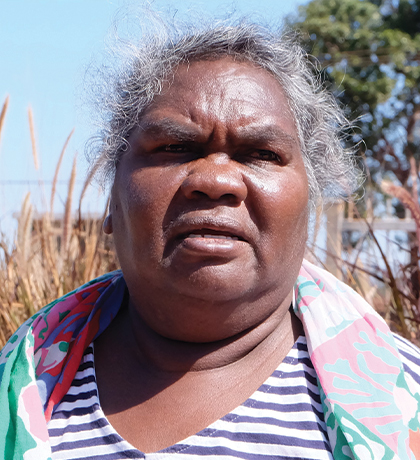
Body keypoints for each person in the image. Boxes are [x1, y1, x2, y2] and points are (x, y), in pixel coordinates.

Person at [1, 16, 420, 460]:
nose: (216, 179)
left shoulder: (406, 399)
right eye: (175, 147)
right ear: (111, 200)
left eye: (261, 154)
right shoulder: (18, 388)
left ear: (308, 208)